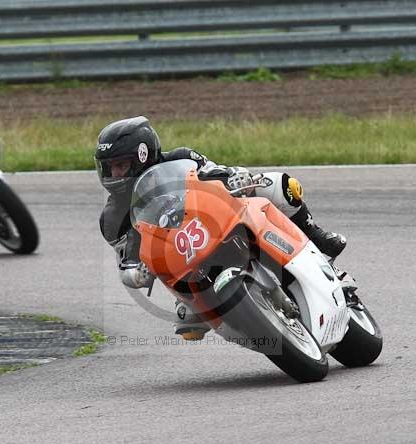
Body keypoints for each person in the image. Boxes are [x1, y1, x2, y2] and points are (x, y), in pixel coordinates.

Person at [95, 115, 347, 339]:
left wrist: (235, 177)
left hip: (215, 219)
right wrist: (133, 271)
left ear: (143, 155)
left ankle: (316, 237)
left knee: (281, 184)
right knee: (188, 321)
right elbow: (127, 258)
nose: (115, 175)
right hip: (181, 260)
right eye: (109, 168)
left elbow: (217, 172)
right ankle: (191, 301)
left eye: (121, 165)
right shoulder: (112, 219)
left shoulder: (182, 158)